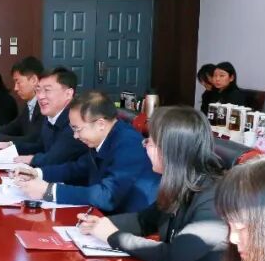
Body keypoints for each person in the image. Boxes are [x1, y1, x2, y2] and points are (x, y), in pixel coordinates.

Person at [78, 106, 227, 261]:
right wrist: (101, 224)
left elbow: (173, 257)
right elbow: (143, 221)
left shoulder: (213, 199)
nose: (145, 146)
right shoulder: (180, 183)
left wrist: (113, 236)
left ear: (170, 150)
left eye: (150, 142)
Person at [16, 90, 159, 214]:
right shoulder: (103, 137)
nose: (75, 136)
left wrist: (49, 191)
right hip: (101, 216)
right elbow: (77, 168)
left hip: (130, 222)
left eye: (77, 129)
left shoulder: (129, 143)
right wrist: (38, 173)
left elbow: (107, 196)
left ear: (100, 124)